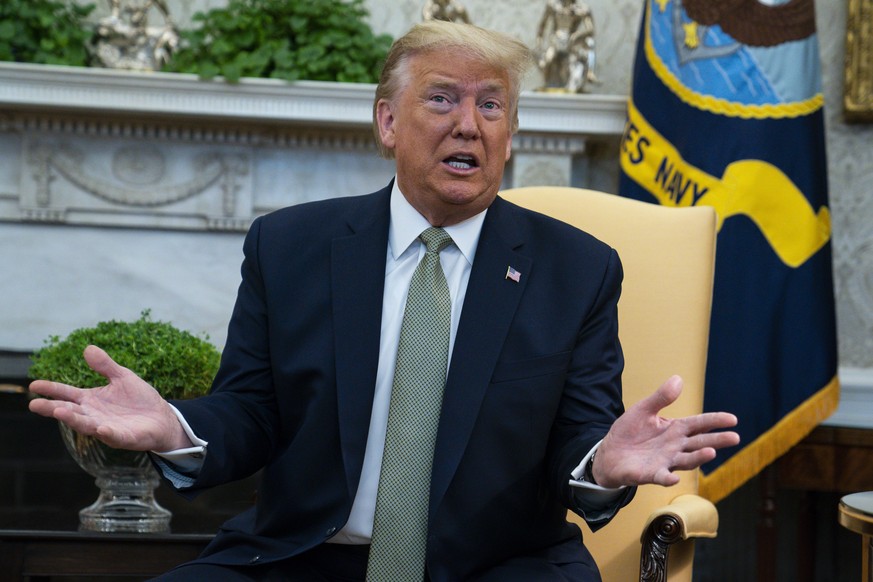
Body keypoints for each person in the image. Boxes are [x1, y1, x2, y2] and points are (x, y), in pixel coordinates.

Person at [29, 20, 739, 581]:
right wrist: (174, 428)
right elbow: (252, 411)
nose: (470, 124)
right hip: (301, 560)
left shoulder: (575, 269)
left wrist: (601, 465)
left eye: (491, 105)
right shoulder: (290, 246)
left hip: (496, 568)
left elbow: (579, 440)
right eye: (441, 98)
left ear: (509, 134)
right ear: (387, 122)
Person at [536, 0, 598, 93]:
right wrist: (539, 44)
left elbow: (591, 30)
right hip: (556, 40)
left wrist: (578, 35)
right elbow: (542, 25)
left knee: (589, 43)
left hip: (572, 42)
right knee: (548, 60)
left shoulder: (583, 8)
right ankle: (549, 84)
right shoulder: (553, 5)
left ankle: (590, 72)